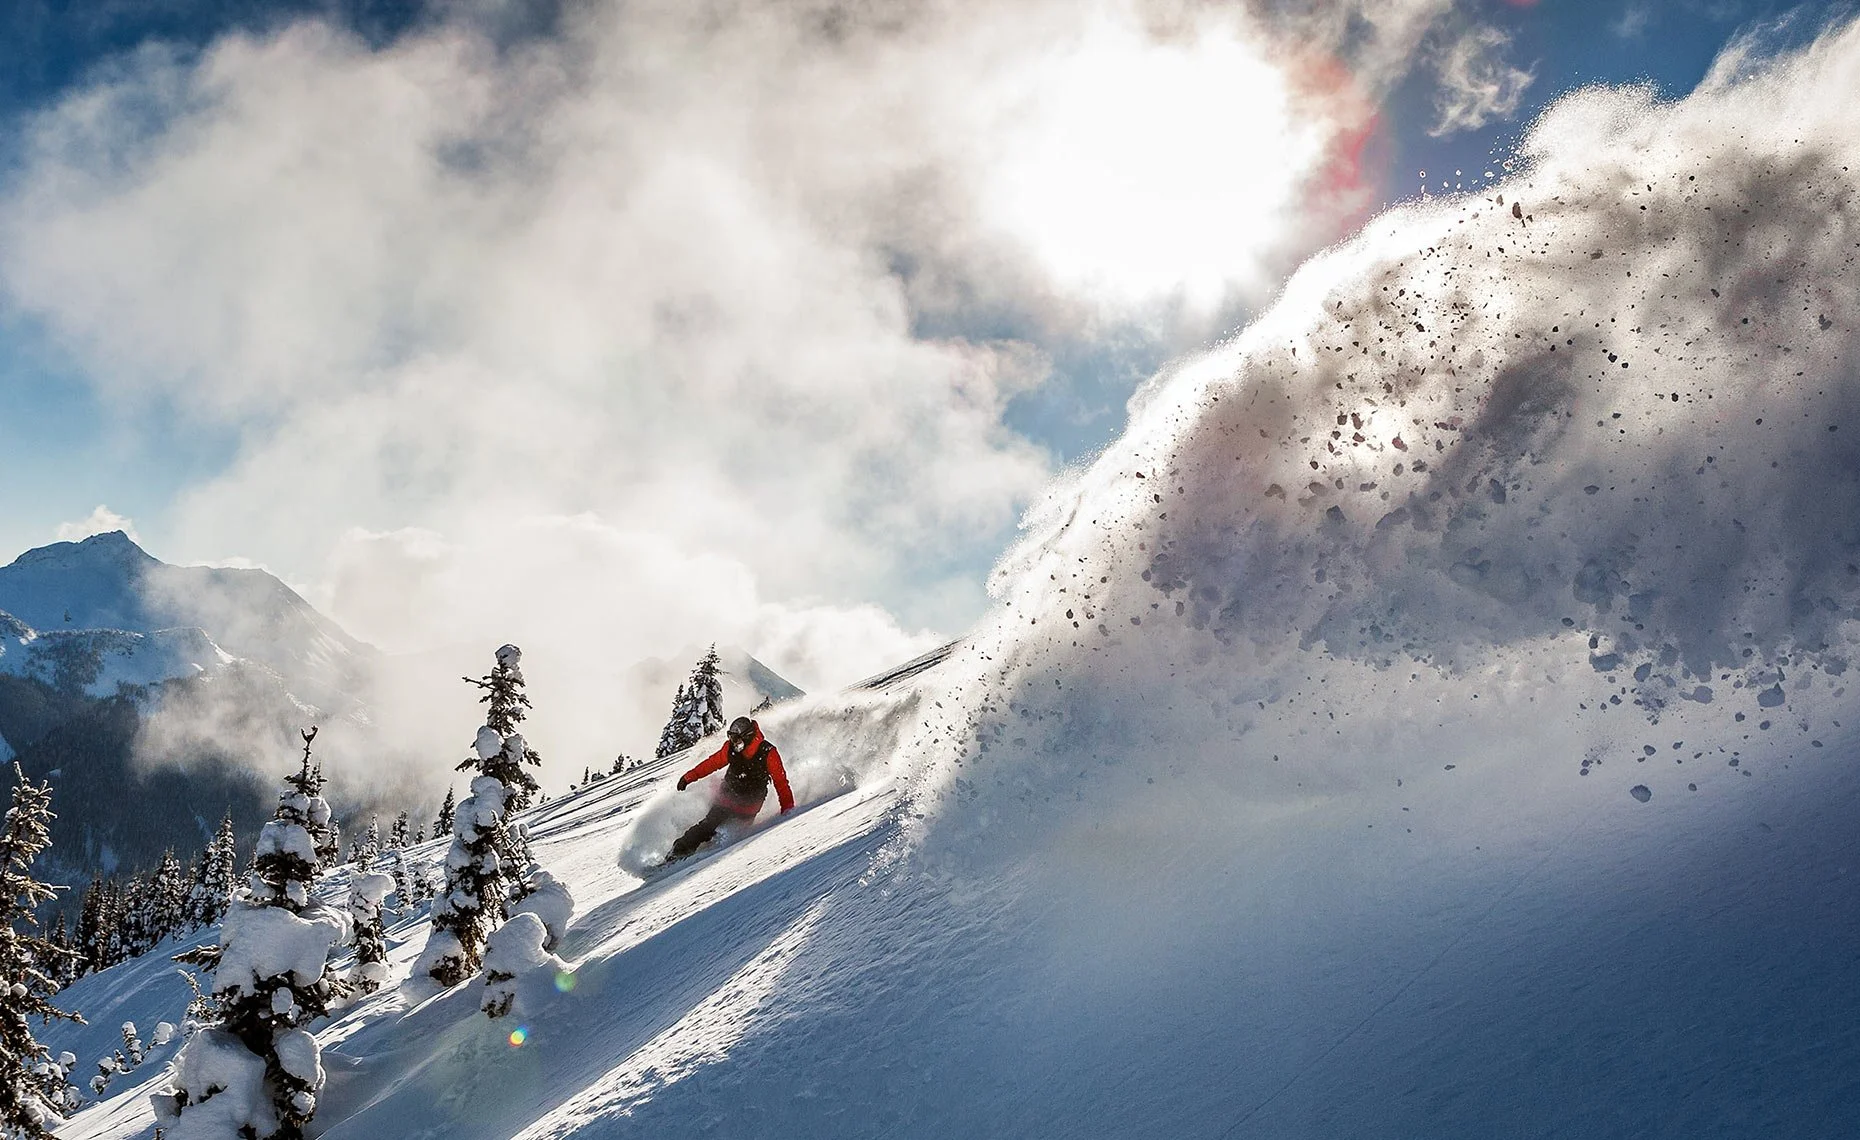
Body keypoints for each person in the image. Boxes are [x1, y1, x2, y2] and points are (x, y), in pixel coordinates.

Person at [667, 716, 793, 862]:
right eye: (731, 738)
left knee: (730, 833)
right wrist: (689, 777)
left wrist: (788, 811)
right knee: (707, 826)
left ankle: (710, 853)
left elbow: (781, 783)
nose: (734, 743)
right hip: (726, 799)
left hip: (749, 806)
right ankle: (677, 853)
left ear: (748, 736)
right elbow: (711, 764)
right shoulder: (731, 749)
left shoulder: (768, 752)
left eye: (736, 739)